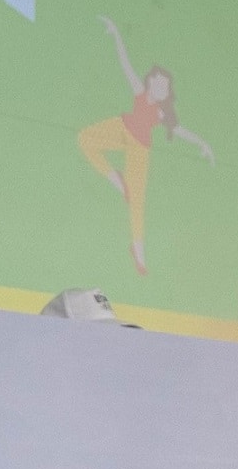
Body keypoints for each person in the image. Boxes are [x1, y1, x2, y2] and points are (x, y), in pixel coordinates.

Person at [77, 16, 214, 275]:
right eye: (157, 82)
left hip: (140, 147)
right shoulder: (140, 92)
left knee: (137, 201)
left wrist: (202, 143)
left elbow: (179, 130)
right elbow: (125, 63)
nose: (159, 87)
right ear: (150, 82)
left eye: (164, 86)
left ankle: (138, 249)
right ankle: (116, 179)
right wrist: (116, 33)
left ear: (166, 92)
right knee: (85, 139)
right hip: (121, 128)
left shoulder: (161, 113)